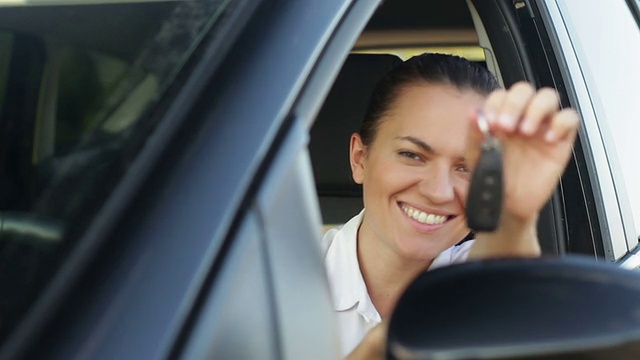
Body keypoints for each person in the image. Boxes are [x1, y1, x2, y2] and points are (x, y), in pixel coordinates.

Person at [320, 53, 580, 359]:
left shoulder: (479, 276)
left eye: (468, 167)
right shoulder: (272, 281)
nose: (439, 192)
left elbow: (505, 290)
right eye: (412, 155)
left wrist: (513, 219)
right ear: (359, 158)